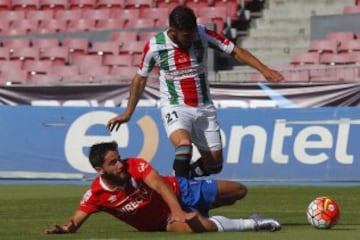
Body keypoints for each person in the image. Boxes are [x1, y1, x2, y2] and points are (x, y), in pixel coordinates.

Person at [107, 6, 284, 179]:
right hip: (175, 106)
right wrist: (128, 113)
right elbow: (140, 79)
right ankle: (179, 195)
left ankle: (187, 175)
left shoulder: (202, 34)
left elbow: (235, 51)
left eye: (192, 33)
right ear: (173, 30)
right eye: (186, 35)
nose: (191, 38)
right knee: (184, 146)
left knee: (215, 165)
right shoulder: (155, 46)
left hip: (204, 106)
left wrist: (265, 70)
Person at [45, 141, 281, 234]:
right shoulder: (95, 195)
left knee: (239, 191)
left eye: (119, 158)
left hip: (178, 189)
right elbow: (75, 222)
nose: (120, 164)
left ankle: (201, 207)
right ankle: (254, 223)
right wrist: (65, 229)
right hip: (163, 220)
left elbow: (160, 186)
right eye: (113, 162)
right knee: (201, 228)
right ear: (100, 170)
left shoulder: (134, 165)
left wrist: (178, 208)